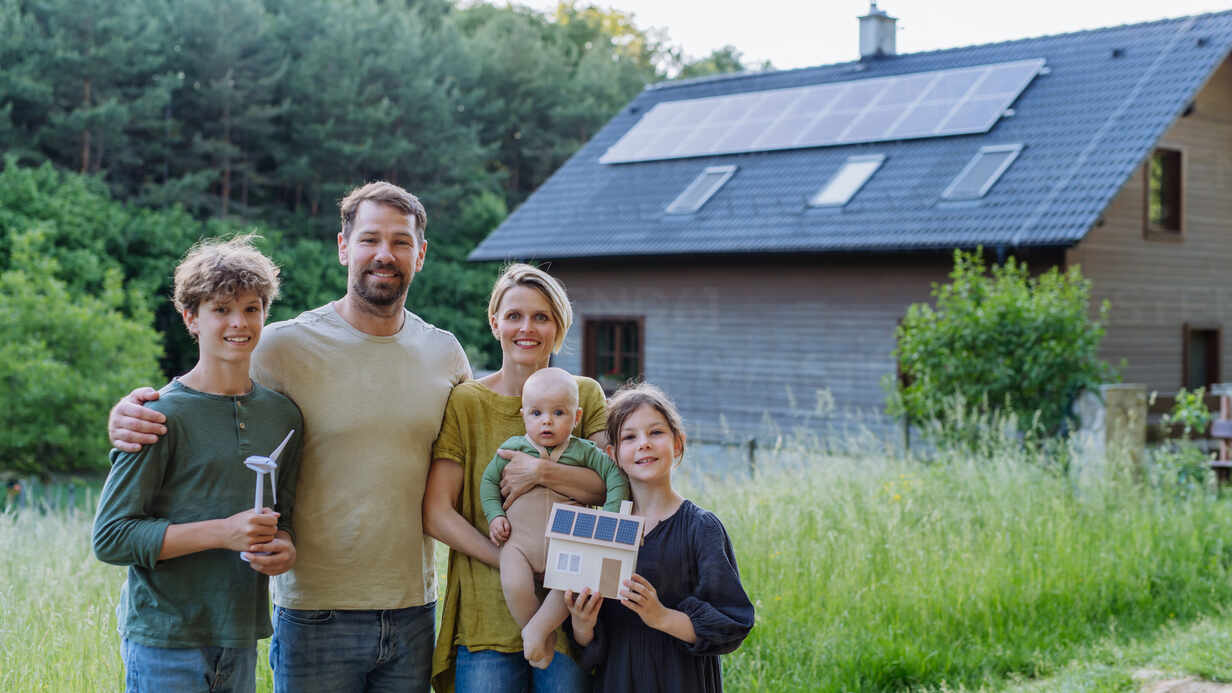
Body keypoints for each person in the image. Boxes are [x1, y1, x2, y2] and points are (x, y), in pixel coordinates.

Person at [106, 182, 471, 693]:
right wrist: (127, 412)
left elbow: (475, 445)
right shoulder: (281, 346)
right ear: (343, 246)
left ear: (421, 253)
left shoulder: (446, 354)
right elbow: (203, 387)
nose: (384, 254)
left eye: (401, 242)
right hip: (314, 615)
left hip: (413, 611)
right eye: (369, 239)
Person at [92, 235, 303, 693]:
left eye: (251, 308)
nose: (239, 323)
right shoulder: (157, 415)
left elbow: (283, 520)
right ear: (191, 317)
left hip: (241, 637)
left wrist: (284, 548)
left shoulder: (283, 416)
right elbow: (110, 538)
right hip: (165, 640)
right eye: (221, 309)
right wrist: (223, 532)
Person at [423, 263, 609, 692]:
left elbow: (608, 486)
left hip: (569, 609)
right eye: (514, 316)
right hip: (485, 614)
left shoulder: (586, 396)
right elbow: (436, 513)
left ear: (559, 327)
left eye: (541, 317)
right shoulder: (467, 402)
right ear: (495, 323)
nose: (527, 328)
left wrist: (543, 470)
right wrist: (518, 561)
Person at [565, 383, 754, 692]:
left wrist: (661, 616)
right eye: (630, 437)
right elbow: (587, 646)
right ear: (613, 454)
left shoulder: (701, 528)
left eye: (656, 433)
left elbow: (731, 624)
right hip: (617, 679)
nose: (644, 444)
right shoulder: (603, 529)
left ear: (678, 443)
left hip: (681, 680)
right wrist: (582, 624)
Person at [480, 367, 629, 668]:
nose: (546, 420)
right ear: (523, 415)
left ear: (576, 417)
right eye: (536, 413)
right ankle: (535, 632)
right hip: (519, 543)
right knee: (514, 582)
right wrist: (495, 516)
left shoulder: (584, 452)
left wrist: (611, 518)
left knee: (573, 579)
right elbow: (487, 484)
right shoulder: (512, 449)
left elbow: (616, 477)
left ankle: (538, 629)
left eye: (559, 413)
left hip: (567, 543)